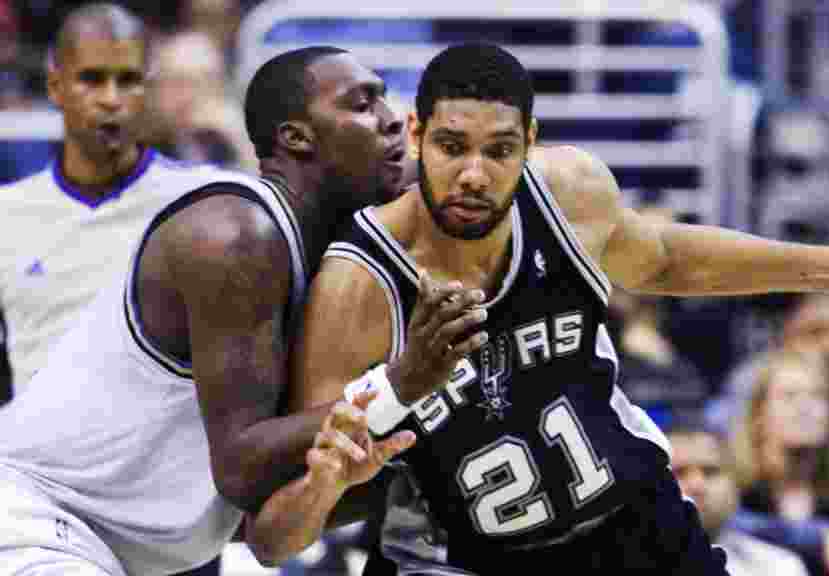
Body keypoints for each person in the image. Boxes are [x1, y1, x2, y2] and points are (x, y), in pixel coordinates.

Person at [270, 42, 829, 575]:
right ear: (417, 135)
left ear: (531, 147)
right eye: (452, 146)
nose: (473, 174)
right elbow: (297, 503)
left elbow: (671, 259)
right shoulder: (360, 283)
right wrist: (373, 417)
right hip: (460, 557)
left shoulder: (567, 192)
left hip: (627, 525)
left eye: (499, 151)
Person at [0, 45, 475, 575]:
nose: (393, 122)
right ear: (296, 137)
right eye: (363, 105)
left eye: (387, 100)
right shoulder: (236, 233)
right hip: (38, 522)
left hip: (132, 554)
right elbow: (242, 468)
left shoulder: (334, 250)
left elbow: (271, 523)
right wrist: (403, 385)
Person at [0, 3, 207, 397]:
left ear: (147, 88)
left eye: (127, 80)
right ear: (55, 87)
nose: (111, 99)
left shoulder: (201, 201)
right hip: (34, 453)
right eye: (92, 80)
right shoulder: (6, 215)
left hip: (161, 455)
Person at [730, 346, 829, 576]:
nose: (805, 407)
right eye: (790, 396)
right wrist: (818, 536)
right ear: (759, 416)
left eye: (818, 396)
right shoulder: (736, 497)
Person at [668, 412, 809, 576]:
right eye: (679, 472)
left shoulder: (779, 567)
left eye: (710, 471)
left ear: (735, 484)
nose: (697, 485)